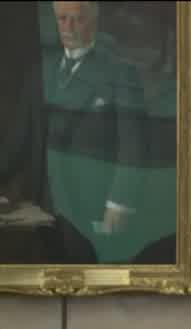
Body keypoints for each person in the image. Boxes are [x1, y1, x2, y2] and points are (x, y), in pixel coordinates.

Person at [0, 1, 147, 264]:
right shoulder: (42, 70)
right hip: (42, 204)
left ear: (94, 21)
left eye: (76, 19)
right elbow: (18, 139)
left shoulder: (120, 72)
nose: (67, 27)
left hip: (93, 205)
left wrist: (119, 204)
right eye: (61, 19)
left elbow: (132, 146)